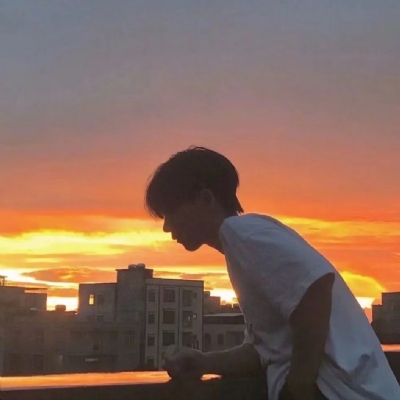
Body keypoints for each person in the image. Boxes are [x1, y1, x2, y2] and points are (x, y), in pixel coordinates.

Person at [144, 146, 400, 400]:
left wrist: (299, 385)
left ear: (206, 199)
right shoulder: (246, 242)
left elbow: (316, 288)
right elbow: (264, 352)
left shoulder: (242, 233)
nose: (166, 227)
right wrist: (204, 362)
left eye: (171, 212)